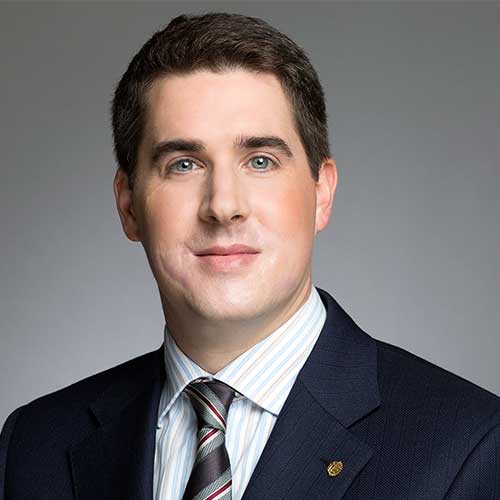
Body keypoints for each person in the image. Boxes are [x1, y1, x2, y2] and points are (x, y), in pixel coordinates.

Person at [1, 11, 499, 500]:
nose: (223, 206)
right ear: (129, 205)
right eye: (184, 164)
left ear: (321, 193)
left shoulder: (469, 449)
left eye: (260, 161)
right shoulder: (33, 446)